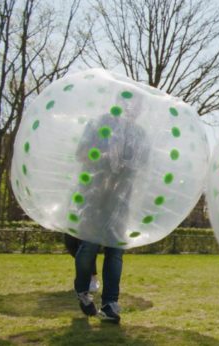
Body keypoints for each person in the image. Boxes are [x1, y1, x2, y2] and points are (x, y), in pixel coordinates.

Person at [72, 91, 149, 323]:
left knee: (115, 251)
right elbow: (81, 154)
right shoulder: (99, 124)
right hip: (95, 194)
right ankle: (83, 290)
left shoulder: (139, 133)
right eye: (128, 102)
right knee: (89, 246)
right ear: (117, 103)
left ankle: (109, 304)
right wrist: (105, 156)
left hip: (121, 199)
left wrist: (128, 164)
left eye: (137, 105)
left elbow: (144, 164)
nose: (132, 108)